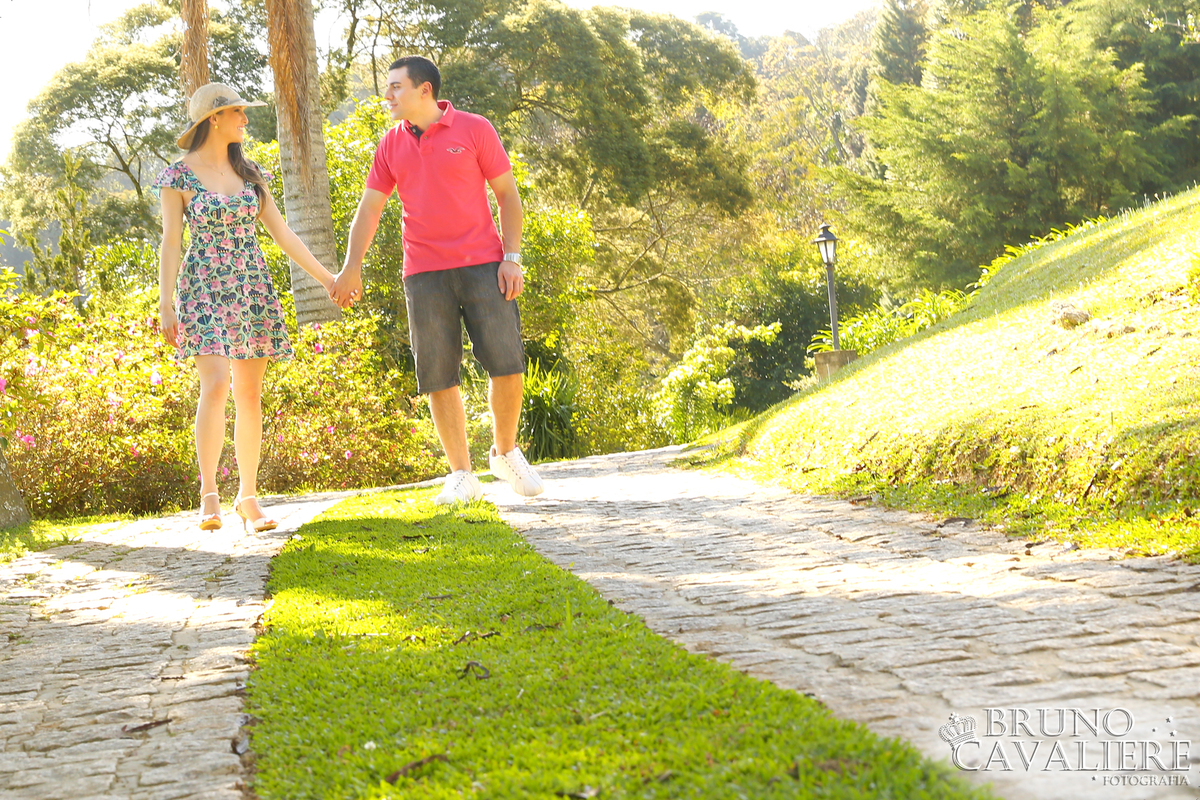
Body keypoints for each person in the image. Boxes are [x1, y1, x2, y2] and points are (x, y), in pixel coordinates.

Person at [329, 56, 543, 505]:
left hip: (484, 264)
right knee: (438, 373)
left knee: (507, 361)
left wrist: (512, 257)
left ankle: (505, 452)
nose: (387, 95)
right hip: (423, 273)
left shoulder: (475, 129)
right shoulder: (389, 145)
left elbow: (507, 196)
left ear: (424, 90)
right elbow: (369, 209)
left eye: (395, 87)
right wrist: (352, 266)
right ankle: (461, 473)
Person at [155, 83, 337, 532]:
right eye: (238, 111)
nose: (245, 118)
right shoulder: (178, 177)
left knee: (250, 394)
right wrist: (165, 302)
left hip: (251, 287)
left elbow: (284, 235)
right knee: (215, 385)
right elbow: (171, 243)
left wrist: (329, 279)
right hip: (201, 288)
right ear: (213, 119)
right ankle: (209, 495)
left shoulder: (250, 174)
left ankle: (249, 497)